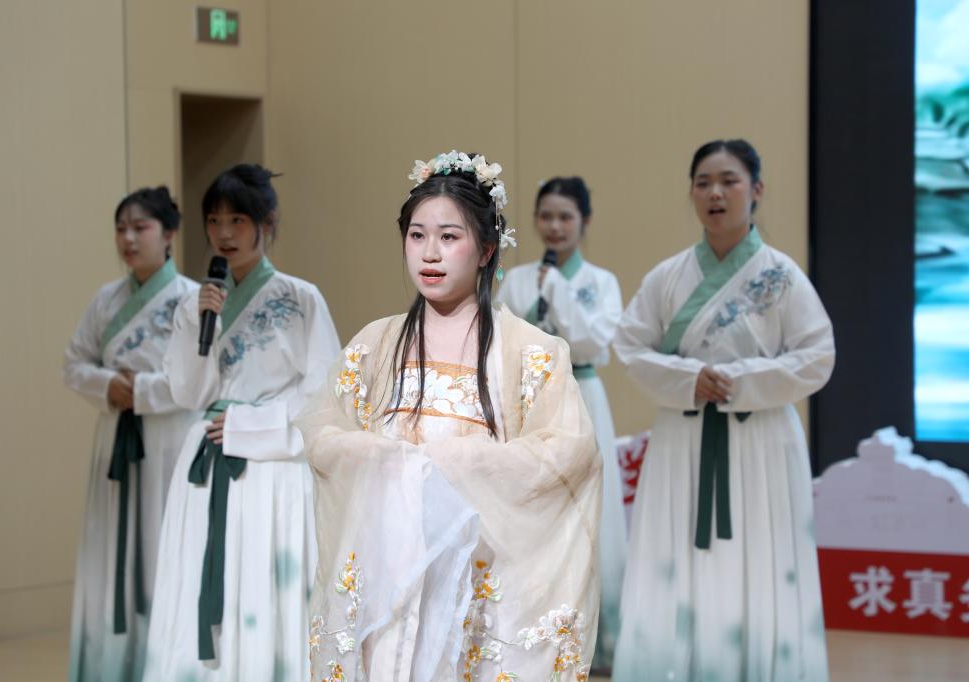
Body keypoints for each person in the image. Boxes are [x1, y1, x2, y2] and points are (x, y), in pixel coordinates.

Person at [300, 150, 602, 681]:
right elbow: (323, 431)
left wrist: (457, 464)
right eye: (417, 235)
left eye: (449, 236)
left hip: (479, 571)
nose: (430, 253)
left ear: (486, 249)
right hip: (391, 568)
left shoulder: (531, 352)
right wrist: (380, 458)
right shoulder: (375, 344)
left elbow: (567, 452)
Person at [611, 140, 834, 681]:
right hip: (684, 435)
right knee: (677, 557)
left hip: (761, 438)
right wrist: (689, 379)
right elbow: (629, 346)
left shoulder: (781, 275)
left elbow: (817, 356)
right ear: (691, 193)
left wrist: (740, 381)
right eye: (703, 182)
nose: (715, 193)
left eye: (729, 181)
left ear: (756, 190)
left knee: (759, 554)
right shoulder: (667, 276)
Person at [142, 165, 340, 681]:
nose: (224, 233)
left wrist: (250, 426)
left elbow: (324, 394)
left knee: (259, 580)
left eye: (237, 220)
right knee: (200, 574)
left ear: (266, 223)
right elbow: (187, 392)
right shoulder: (195, 303)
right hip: (206, 458)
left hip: (269, 465)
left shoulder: (301, 299)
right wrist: (195, 321)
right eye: (214, 220)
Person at [64, 186, 199, 681]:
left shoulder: (191, 299)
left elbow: (198, 378)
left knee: (165, 544)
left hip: (168, 439)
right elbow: (74, 363)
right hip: (115, 437)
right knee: (110, 547)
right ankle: (112, 662)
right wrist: (108, 385)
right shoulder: (107, 299)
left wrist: (140, 390)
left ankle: (165, 664)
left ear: (168, 234)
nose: (128, 238)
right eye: (121, 228)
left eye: (140, 227)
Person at [495, 176, 627, 668]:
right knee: (534, 508)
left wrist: (558, 291)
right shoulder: (516, 278)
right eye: (546, 216)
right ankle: (531, 635)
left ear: (584, 221)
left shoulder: (601, 282)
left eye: (565, 217)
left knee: (590, 510)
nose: (554, 226)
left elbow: (594, 343)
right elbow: (502, 339)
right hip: (529, 401)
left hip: (583, 395)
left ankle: (600, 641)